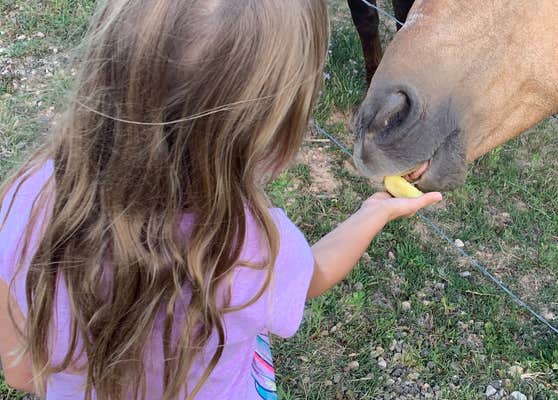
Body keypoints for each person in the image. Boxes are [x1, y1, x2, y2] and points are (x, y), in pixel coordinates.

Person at [0, 0, 441, 399]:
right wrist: (372, 212)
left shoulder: (24, 197)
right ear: (274, 138)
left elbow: (21, 374)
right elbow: (313, 275)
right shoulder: (252, 247)